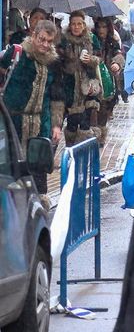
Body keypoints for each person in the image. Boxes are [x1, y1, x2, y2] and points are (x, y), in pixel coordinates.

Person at [0, 19, 63, 195]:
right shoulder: (17, 53)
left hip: (41, 122)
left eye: (49, 41)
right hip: (13, 120)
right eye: (41, 39)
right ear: (33, 35)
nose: (45, 44)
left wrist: (57, 125)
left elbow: (57, 96)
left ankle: (39, 209)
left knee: (38, 169)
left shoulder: (54, 63)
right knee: (11, 169)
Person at [59, 10, 103, 146]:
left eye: (79, 24)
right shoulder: (64, 40)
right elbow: (58, 60)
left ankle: (82, 156)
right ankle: (70, 150)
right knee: (72, 123)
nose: (76, 27)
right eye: (73, 24)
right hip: (70, 87)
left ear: (84, 25)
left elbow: (99, 58)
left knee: (85, 123)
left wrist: (91, 60)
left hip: (88, 87)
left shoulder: (91, 39)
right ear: (69, 25)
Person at [94, 16, 126, 144]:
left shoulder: (112, 41)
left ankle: (100, 137)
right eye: (99, 27)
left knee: (104, 110)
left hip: (108, 81)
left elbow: (119, 54)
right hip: (94, 79)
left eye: (104, 27)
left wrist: (117, 63)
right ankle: (93, 137)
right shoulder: (91, 40)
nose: (101, 30)